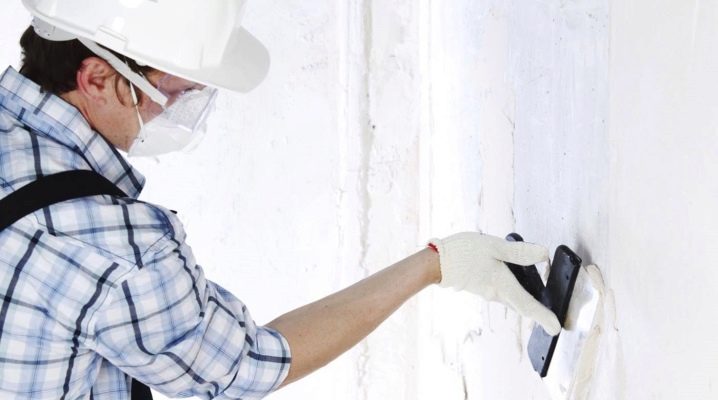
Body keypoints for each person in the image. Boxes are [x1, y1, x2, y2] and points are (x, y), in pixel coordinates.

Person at [0, 1, 560, 399]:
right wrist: (436, 264)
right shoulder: (116, 249)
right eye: (170, 91)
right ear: (97, 79)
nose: (172, 111)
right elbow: (247, 366)